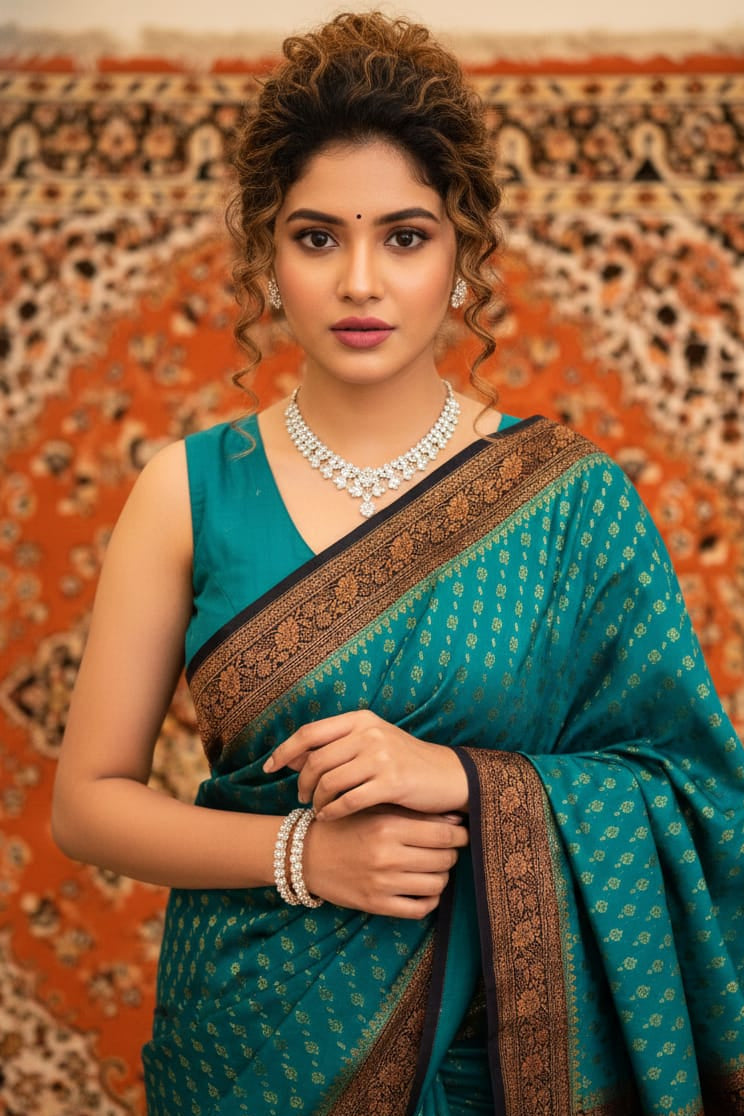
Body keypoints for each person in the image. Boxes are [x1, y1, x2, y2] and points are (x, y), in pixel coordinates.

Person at [52, 11, 744, 1115]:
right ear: (266, 261)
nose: (360, 280)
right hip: (247, 1051)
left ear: (463, 259)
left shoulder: (571, 504)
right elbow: (86, 805)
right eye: (317, 237)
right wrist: (303, 857)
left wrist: (461, 780)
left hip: (501, 1067)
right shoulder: (185, 492)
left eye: (407, 237)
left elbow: (702, 800)